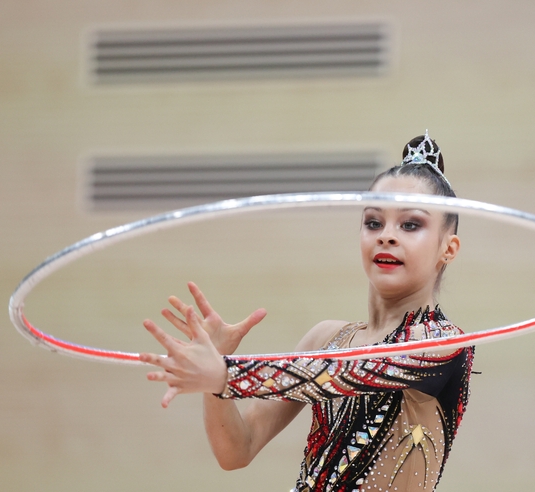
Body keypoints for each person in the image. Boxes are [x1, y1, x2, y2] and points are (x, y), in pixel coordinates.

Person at [139, 132, 474, 491]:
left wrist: (224, 374)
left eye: (410, 224)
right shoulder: (325, 338)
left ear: (448, 249)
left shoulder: (442, 343)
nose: (386, 236)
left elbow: (342, 372)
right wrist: (217, 372)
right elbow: (237, 449)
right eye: (373, 222)